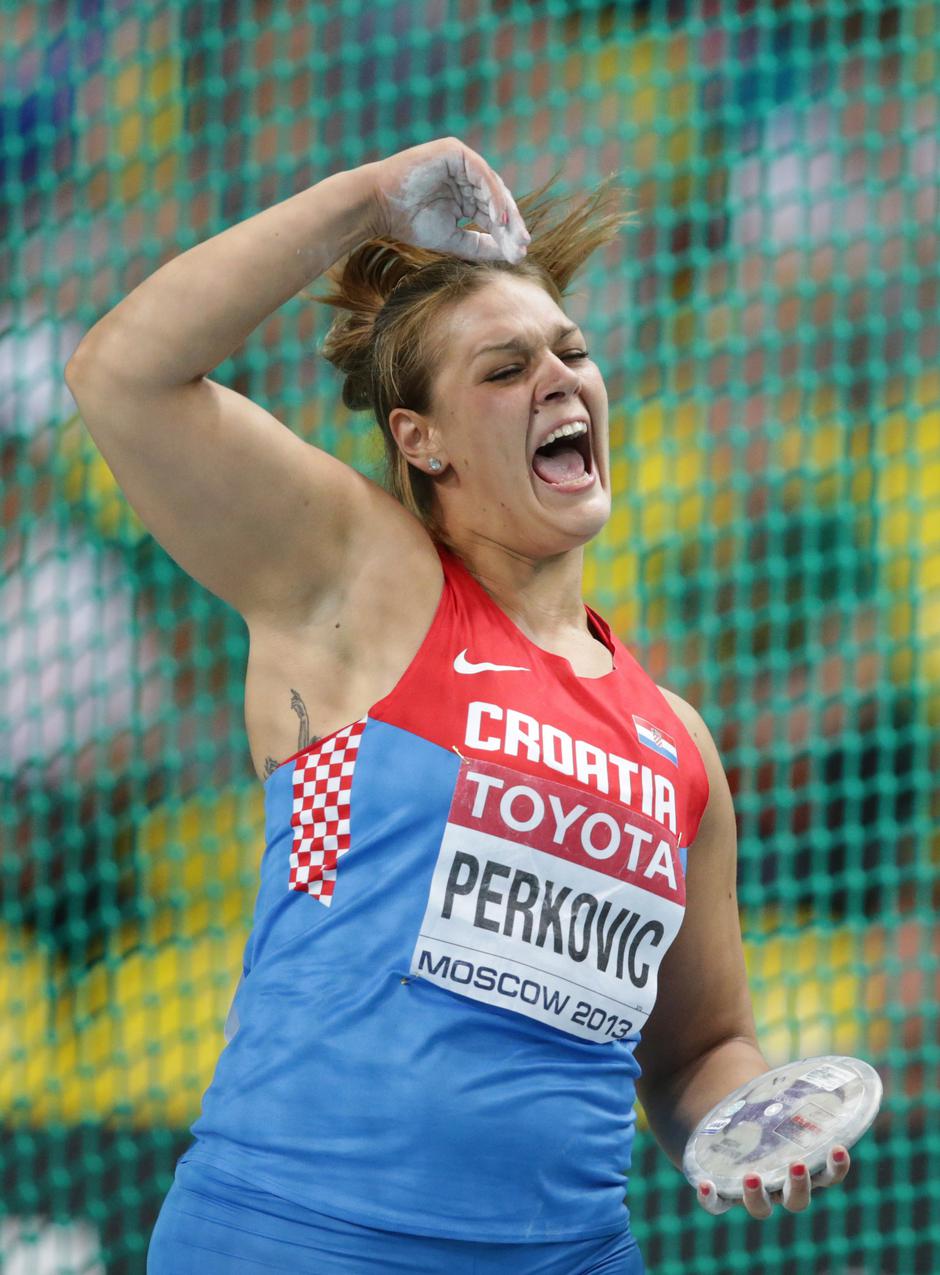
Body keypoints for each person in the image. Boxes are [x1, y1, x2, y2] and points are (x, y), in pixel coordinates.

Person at [64, 137, 850, 1275]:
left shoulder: (675, 741)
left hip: (569, 1257)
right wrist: (357, 202)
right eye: (503, 368)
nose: (559, 378)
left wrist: (753, 1124)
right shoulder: (363, 586)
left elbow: (697, 1051)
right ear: (416, 441)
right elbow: (120, 375)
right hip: (296, 1239)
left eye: (570, 352)